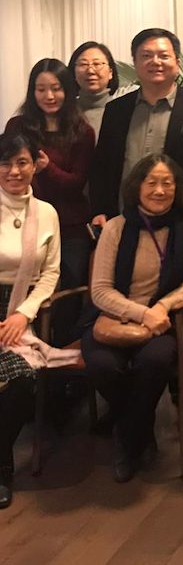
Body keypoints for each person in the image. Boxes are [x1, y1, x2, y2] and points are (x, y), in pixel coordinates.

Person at [81, 154, 183, 483]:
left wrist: (162, 307)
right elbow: (100, 290)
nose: (160, 190)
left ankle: (127, 442)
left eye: (167, 183)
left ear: (177, 188)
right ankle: (140, 428)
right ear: (137, 186)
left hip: (163, 322)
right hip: (112, 318)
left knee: (155, 361)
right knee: (102, 366)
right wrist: (141, 313)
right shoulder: (116, 227)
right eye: (151, 182)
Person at [0, 132, 80, 509]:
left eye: (22, 162)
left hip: (21, 308)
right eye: (5, 163)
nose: (14, 171)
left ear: (36, 165)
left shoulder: (47, 212)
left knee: (22, 379)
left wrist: (22, 313)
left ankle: (1, 465)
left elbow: (51, 274)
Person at [90, 28, 183, 242]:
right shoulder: (116, 110)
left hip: (178, 227)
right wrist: (100, 210)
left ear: (177, 63)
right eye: (146, 55)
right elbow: (101, 166)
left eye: (163, 56)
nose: (155, 62)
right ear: (135, 62)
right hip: (122, 224)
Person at [5, 59, 95, 315]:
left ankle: (64, 339)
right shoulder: (18, 127)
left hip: (70, 225)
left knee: (68, 293)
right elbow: (9, 170)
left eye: (56, 88)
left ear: (67, 90)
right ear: (32, 92)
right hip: (22, 220)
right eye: (41, 89)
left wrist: (47, 168)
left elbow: (77, 184)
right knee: (23, 287)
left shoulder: (82, 132)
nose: (49, 96)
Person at [68, 41, 121, 139]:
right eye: (83, 64)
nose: (90, 71)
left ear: (110, 72)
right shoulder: (65, 112)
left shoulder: (122, 111)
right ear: (74, 72)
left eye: (97, 64)